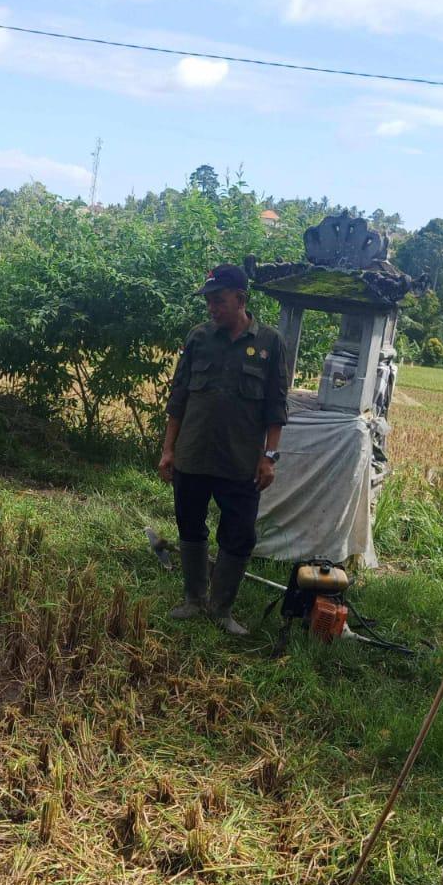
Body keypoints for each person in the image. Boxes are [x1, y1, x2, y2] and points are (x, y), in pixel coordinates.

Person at [158, 263, 289, 635]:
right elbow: (179, 397)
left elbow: (275, 407)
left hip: (240, 461)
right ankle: (193, 599)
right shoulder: (198, 338)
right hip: (193, 454)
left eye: (219, 301)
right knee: (190, 525)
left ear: (240, 299)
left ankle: (222, 609)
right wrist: (169, 450)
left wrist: (269, 457)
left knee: (239, 534)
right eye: (209, 302)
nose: (212, 308)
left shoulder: (269, 344)